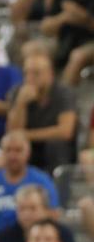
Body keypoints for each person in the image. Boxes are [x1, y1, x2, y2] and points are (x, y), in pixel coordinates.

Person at [5, 45, 78, 173]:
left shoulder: (63, 93)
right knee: (15, 148)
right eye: (26, 73)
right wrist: (21, 104)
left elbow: (65, 131)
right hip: (29, 147)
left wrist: (27, 135)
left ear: (50, 74)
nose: (29, 78)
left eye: (36, 73)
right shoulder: (18, 92)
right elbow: (13, 133)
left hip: (58, 150)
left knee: (55, 145)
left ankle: (57, 190)